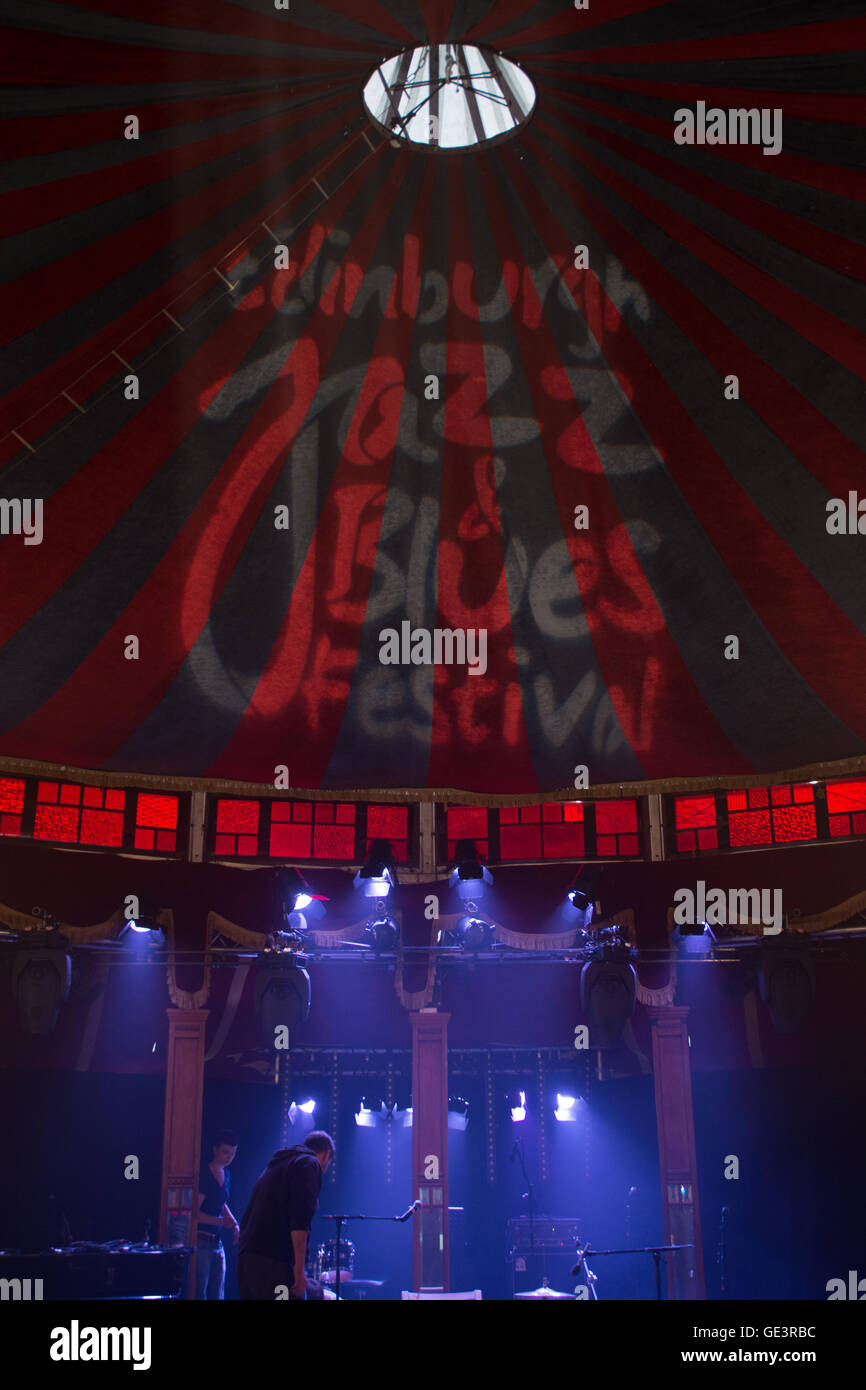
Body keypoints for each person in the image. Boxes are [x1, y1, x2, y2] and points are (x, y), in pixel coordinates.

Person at [238, 1131, 335, 1300]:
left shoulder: (279, 1164)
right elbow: (300, 1220)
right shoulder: (310, 1164)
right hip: (274, 1262)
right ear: (327, 1155)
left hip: (248, 1258)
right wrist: (299, 1269)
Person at [195, 1129, 240, 1300]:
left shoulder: (226, 1173)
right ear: (215, 1150)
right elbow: (195, 1214)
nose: (229, 1157)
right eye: (225, 1152)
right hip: (201, 1241)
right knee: (200, 1292)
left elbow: (221, 1202)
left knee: (218, 1293)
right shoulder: (206, 1175)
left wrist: (235, 1224)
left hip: (217, 1242)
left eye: (233, 1153)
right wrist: (220, 1221)